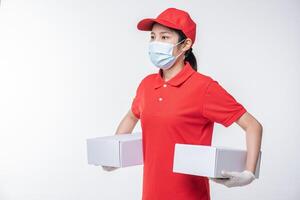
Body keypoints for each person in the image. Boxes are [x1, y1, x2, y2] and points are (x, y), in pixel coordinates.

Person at [102, 7, 263, 200]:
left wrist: (249, 173)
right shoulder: (147, 85)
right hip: (150, 194)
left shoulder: (203, 88)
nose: (155, 43)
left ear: (185, 44)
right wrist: (114, 154)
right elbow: (131, 116)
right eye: (152, 37)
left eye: (164, 37)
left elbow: (252, 125)